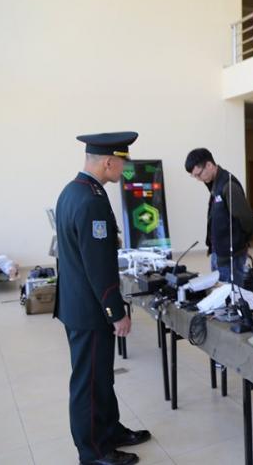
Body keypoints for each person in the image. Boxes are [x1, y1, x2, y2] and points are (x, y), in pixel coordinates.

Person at [55, 132, 150, 465]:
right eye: (123, 163)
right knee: (89, 382)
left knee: (101, 376)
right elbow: (98, 265)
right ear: (109, 162)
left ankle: (110, 430)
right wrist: (116, 312)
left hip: (79, 303)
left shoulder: (73, 191)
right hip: (90, 309)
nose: (125, 170)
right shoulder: (92, 200)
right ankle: (93, 452)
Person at [185, 148, 253, 286]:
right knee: (220, 290)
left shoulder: (228, 185)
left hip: (231, 255)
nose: (198, 179)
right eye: (194, 176)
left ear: (209, 165)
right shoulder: (214, 183)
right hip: (218, 252)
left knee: (231, 293)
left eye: (199, 174)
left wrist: (241, 243)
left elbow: (247, 220)